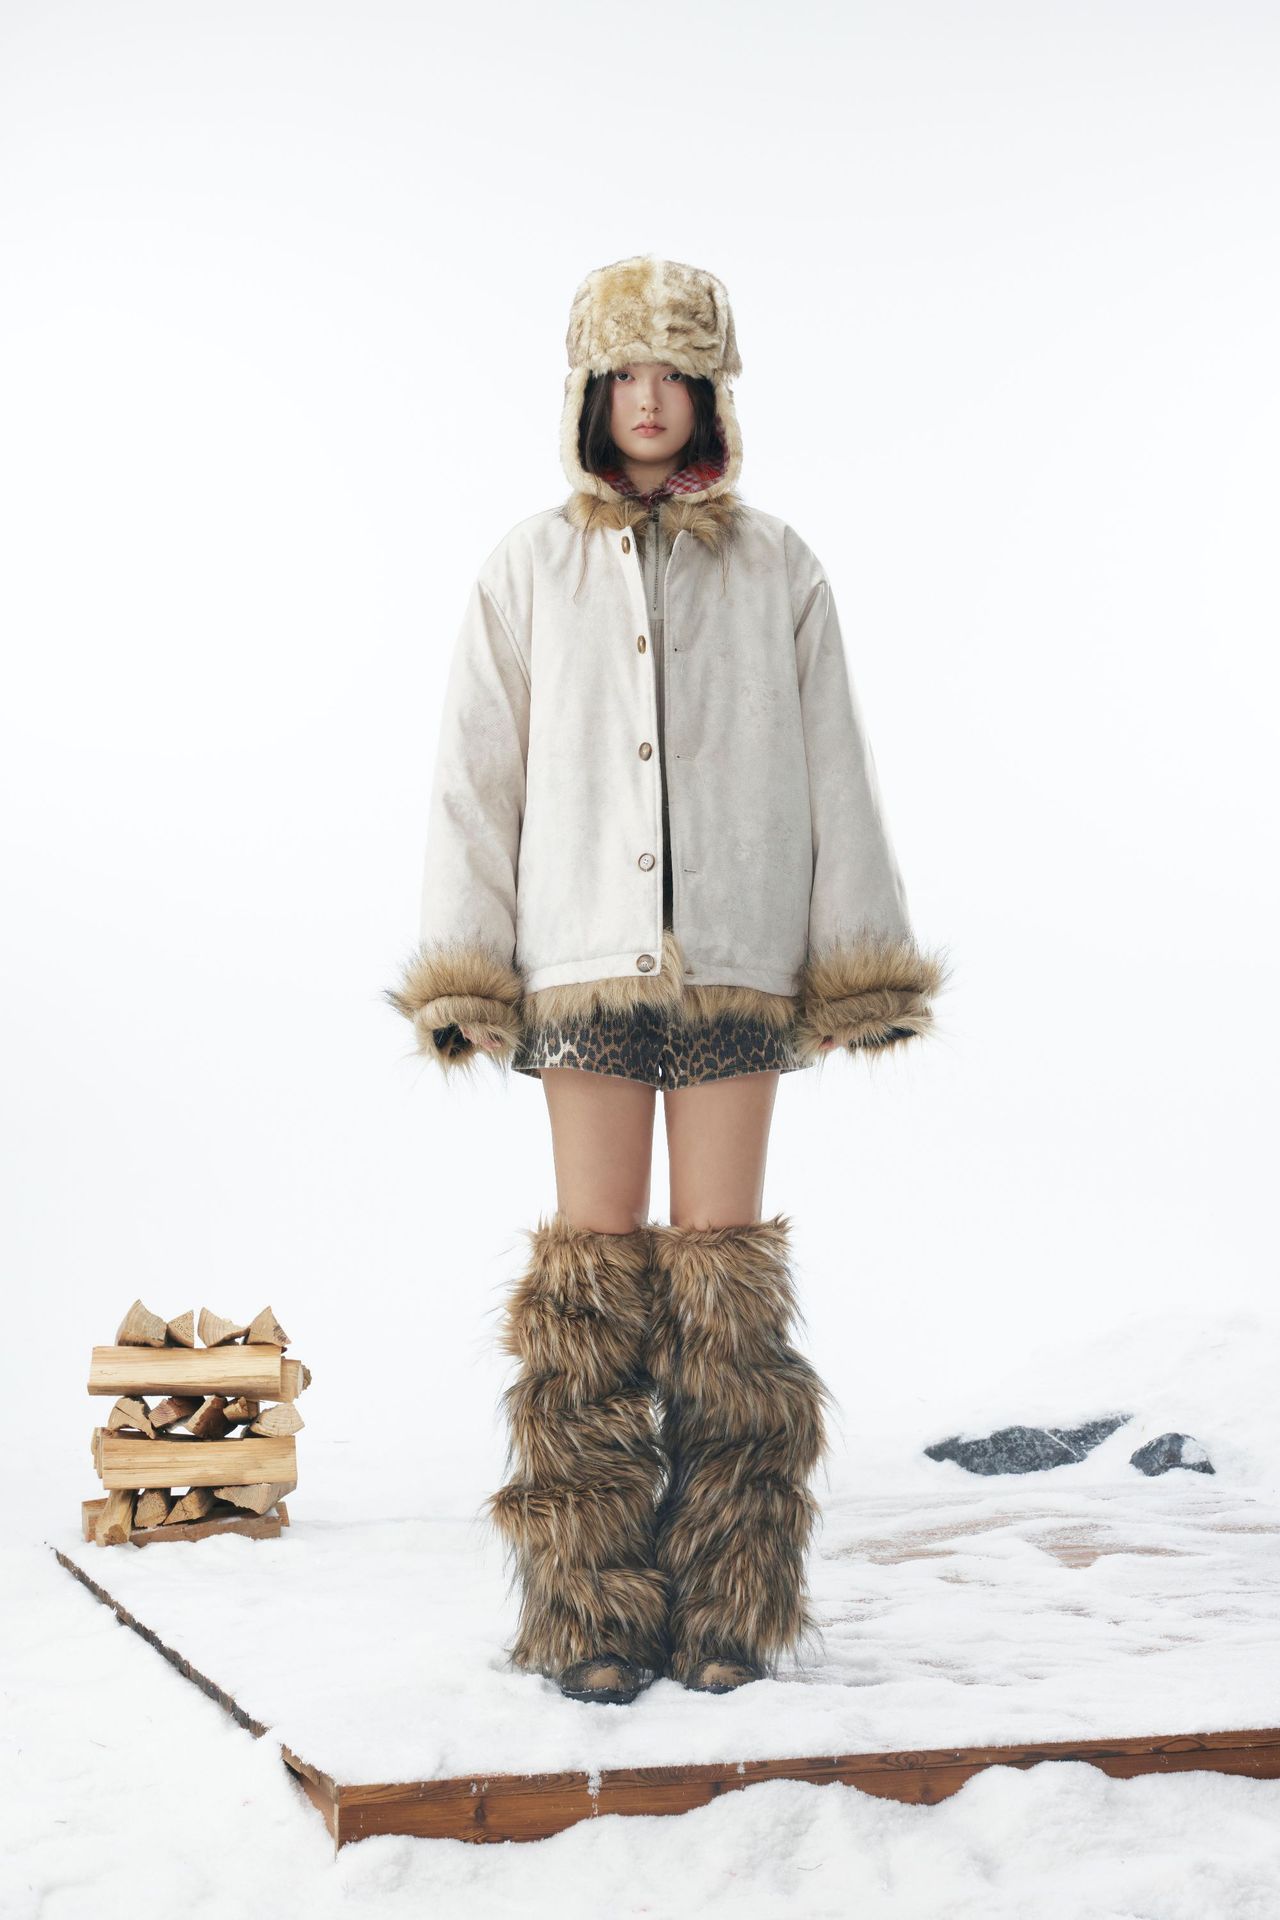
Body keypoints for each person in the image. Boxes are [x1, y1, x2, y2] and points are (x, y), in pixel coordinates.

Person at [386, 253, 949, 1707]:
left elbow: (837, 767)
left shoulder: (779, 567)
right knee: (589, 1281)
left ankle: (728, 1606)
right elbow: (473, 778)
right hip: (578, 962)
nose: (648, 400)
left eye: (673, 373)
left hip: (738, 968)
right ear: (591, 390)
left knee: (723, 1281)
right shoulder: (527, 567)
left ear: (710, 390)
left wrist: (861, 960)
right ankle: (588, 1608)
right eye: (623, 373)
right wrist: (466, 968)